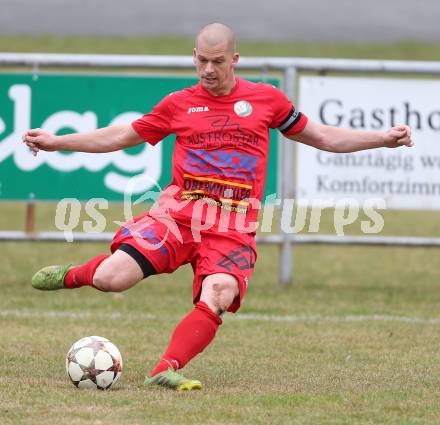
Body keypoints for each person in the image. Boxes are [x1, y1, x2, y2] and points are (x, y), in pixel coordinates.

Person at [23, 23, 413, 391]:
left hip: (232, 226)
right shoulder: (178, 104)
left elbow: (324, 136)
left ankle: (165, 370)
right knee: (113, 279)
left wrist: (381, 138)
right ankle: (75, 274)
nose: (209, 70)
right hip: (177, 216)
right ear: (194, 57)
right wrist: (58, 142)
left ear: (235, 59)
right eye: (202, 61)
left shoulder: (267, 100)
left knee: (220, 292)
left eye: (218, 61)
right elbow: (121, 135)